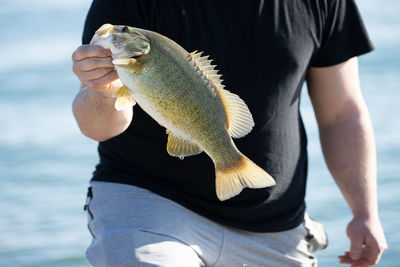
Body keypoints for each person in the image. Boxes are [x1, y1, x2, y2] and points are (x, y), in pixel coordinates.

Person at [72, 0, 387, 266]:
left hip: (277, 223)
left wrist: (364, 212)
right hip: (148, 205)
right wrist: (102, 91)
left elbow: (341, 114)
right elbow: (96, 127)